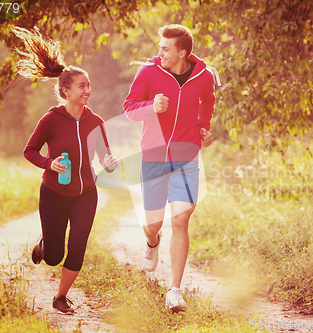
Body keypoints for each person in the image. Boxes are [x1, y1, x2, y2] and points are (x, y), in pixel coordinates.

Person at [13, 27, 118, 314]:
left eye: (89, 85)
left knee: (78, 246)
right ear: (65, 91)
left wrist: (109, 162)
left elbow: (104, 154)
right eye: (82, 86)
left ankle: (61, 297)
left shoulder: (95, 121)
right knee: (54, 256)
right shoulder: (51, 119)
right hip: (54, 192)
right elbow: (29, 151)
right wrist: (50, 163)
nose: (88, 90)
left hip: (86, 192)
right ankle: (46, 243)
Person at [123, 24, 218, 312]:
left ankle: (174, 290)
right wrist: (152, 106)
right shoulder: (149, 72)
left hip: (186, 158)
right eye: (159, 47)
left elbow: (208, 102)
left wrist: (203, 127)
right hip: (153, 157)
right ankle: (152, 243)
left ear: (182, 52)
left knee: (180, 220)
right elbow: (129, 108)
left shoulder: (203, 75)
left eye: (165, 49)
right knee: (152, 225)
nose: (158, 53)